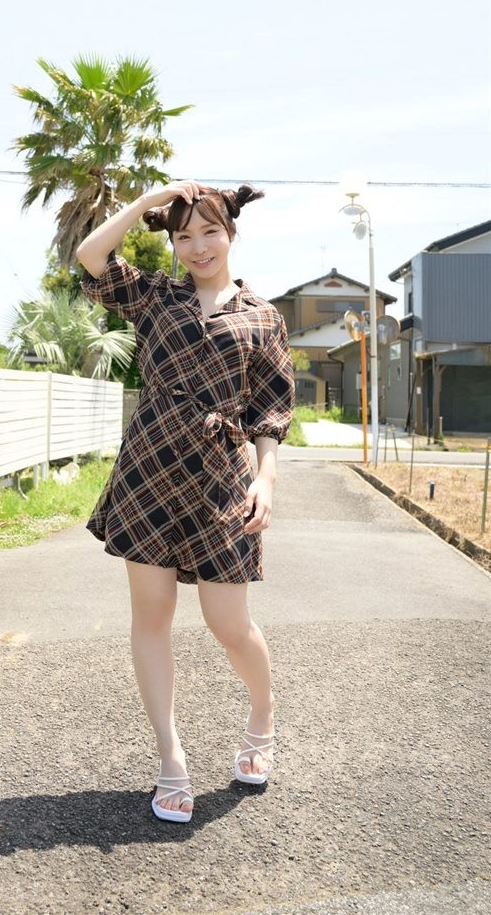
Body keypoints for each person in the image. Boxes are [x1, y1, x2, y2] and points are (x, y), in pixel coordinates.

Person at [75, 179, 295, 824]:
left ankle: (262, 713)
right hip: (150, 470)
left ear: (232, 233)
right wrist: (150, 200)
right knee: (152, 615)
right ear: (171, 243)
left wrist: (266, 479)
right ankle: (170, 758)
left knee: (230, 625)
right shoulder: (154, 297)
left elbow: (271, 409)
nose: (198, 247)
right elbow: (91, 255)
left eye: (210, 232)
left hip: (222, 475)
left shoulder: (263, 317)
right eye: (184, 236)